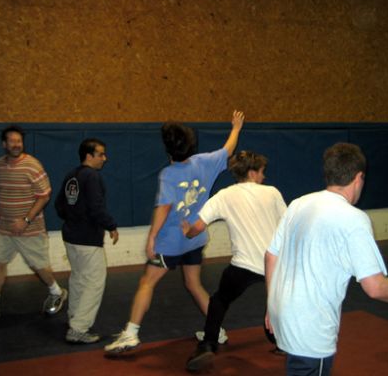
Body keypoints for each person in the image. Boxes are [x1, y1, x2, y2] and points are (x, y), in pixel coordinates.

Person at [265, 142, 388, 376]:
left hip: (283, 314)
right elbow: (375, 288)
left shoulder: (299, 203)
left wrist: (272, 305)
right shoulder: (353, 219)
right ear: (358, 178)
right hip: (311, 329)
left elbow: (271, 255)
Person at [104, 111, 245, 354]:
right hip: (195, 239)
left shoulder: (168, 174)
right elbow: (228, 149)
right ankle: (217, 331)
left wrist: (152, 237)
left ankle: (130, 334)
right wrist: (236, 127)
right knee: (193, 283)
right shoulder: (205, 161)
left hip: (171, 243)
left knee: (147, 282)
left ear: (168, 149)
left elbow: (164, 207)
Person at [183, 151, 287, 372]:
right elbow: (287, 227)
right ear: (252, 172)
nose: (264, 177)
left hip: (243, 266)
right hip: (274, 263)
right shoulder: (273, 193)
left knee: (220, 300)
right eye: (261, 172)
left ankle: (208, 344)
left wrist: (187, 232)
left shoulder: (224, 195)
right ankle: (281, 342)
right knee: (278, 303)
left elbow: (197, 228)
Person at [0, 125, 67, 320]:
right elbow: (5, 190)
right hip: (5, 227)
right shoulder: (0, 164)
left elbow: (44, 196)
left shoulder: (32, 165)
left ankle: (58, 292)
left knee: (38, 266)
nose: (16, 145)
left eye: (19, 141)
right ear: (4, 144)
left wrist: (25, 220)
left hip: (29, 228)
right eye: (12, 141)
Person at [54, 138, 119, 344]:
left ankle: (74, 318)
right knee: (94, 282)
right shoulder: (92, 177)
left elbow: (59, 205)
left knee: (79, 279)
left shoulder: (71, 175)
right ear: (89, 156)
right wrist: (111, 226)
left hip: (71, 237)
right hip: (88, 239)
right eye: (101, 154)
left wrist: (74, 219)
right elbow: (96, 208)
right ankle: (79, 328)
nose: (104, 158)